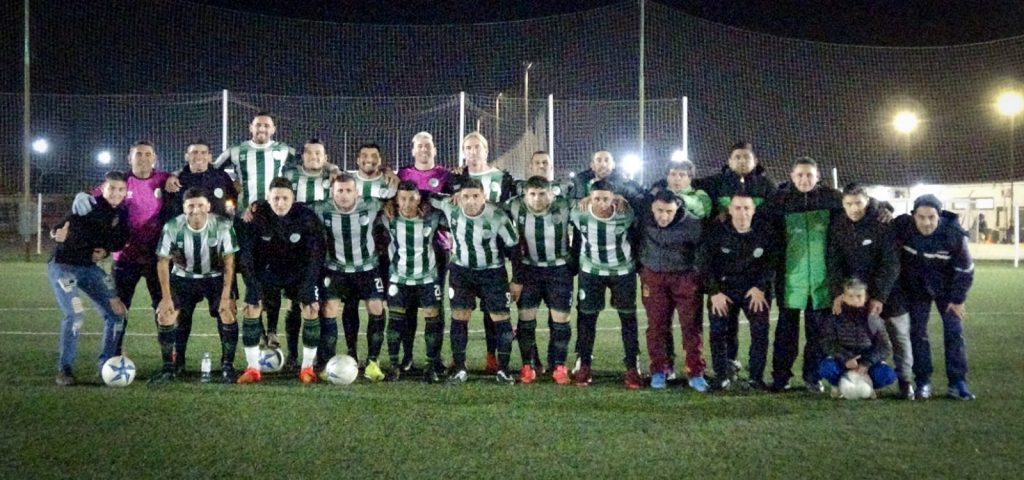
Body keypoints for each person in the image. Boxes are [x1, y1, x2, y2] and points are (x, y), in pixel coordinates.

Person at [72, 141, 172, 357]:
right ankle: (114, 354)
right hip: (125, 257)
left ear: (154, 158)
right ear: (130, 158)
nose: (143, 158)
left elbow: (183, 182)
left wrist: (176, 176)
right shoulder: (121, 182)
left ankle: (169, 358)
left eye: (148, 154)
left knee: (162, 307)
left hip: (157, 257)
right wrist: (82, 197)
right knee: (119, 307)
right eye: (138, 154)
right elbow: (95, 197)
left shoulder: (163, 179)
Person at [236, 177, 325, 384]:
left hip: (298, 273)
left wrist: (309, 284)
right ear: (268, 198)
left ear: (293, 198)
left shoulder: (306, 217)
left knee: (311, 308)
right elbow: (246, 256)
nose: (280, 203)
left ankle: (307, 368)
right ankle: (253, 368)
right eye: (275, 198)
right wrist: (252, 286)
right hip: (267, 272)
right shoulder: (257, 217)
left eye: (285, 198)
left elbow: (316, 255)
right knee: (251, 307)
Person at [430, 178, 519, 384]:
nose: (470, 201)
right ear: (459, 197)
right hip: (461, 271)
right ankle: (459, 368)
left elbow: (514, 247)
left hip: (492, 272)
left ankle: (503, 370)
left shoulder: (497, 216)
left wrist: (516, 279)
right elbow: (428, 196)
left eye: (476, 196)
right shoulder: (450, 207)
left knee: (501, 318)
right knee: (459, 317)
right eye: (466, 196)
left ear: (484, 197)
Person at [826, 183, 911, 399]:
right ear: (843, 204)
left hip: (889, 293)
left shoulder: (882, 223)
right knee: (849, 336)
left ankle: (906, 382)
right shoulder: (838, 225)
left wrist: (879, 296)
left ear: (867, 201)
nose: (854, 208)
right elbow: (833, 263)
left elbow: (891, 263)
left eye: (858, 203)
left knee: (899, 336)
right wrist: (838, 293)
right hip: (854, 296)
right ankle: (846, 379)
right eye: (849, 204)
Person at [767, 157, 842, 393]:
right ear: (791, 176)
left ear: (818, 177)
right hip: (790, 280)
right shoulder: (779, 200)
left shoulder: (832, 199)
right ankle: (781, 377)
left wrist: (880, 208)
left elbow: (859, 202)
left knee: (817, 335)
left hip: (821, 282)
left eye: (809, 174)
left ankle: (812, 377)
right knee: (785, 335)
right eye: (800, 174)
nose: (804, 179)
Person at [49, 171, 130, 386]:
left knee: (118, 313)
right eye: (111, 188)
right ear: (102, 188)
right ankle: (65, 369)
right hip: (64, 267)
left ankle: (106, 366)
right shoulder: (87, 205)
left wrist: (105, 251)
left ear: (125, 192)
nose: (116, 193)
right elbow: (57, 229)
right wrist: (56, 235)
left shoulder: (122, 214)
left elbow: (119, 242)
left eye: (121, 189)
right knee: (75, 314)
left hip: (89, 268)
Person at [892, 194, 976, 400]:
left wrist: (958, 300)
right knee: (917, 332)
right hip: (916, 289)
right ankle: (923, 381)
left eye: (931, 217)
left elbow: (966, 270)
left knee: (954, 331)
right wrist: (882, 208)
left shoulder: (954, 234)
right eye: (921, 217)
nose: (926, 222)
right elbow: (879, 217)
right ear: (913, 215)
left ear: (939, 216)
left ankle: (957, 382)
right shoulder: (902, 226)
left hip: (947, 290)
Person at [152, 188, 239, 383]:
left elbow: (229, 263)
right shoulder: (172, 226)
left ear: (208, 206)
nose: (196, 210)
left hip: (214, 277)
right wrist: (166, 298)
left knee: (227, 312)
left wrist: (226, 297)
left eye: (200, 205)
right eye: (191, 206)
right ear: (184, 208)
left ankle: (227, 366)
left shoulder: (223, 226)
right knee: (166, 314)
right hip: (183, 278)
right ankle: (171, 366)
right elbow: (162, 262)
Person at [448, 132, 516, 374]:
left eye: (477, 147)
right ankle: (459, 361)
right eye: (468, 147)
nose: (473, 151)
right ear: (463, 151)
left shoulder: (502, 178)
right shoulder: (456, 178)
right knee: (460, 312)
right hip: (463, 258)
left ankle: (493, 357)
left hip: (493, 254)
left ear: (486, 150)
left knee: (494, 311)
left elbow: (512, 207)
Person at [312, 174, 388, 381]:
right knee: (329, 309)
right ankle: (327, 362)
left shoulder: (371, 205)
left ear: (357, 193)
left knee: (376, 307)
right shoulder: (322, 208)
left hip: (367, 268)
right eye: (339, 191)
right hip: (335, 268)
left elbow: (395, 197)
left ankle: (372, 362)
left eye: (348, 191)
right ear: (332, 193)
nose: (344, 195)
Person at [700, 194, 778, 390]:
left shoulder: (765, 232)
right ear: (730, 210)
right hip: (724, 289)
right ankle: (721, 376)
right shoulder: (717, 233)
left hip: (754, 290)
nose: (742, 212)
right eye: (737, 208)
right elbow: (705, 264)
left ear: (753, 210)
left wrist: (761, 287)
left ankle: (756, 378)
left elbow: (772, 262)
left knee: (760, 332)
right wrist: (714, 292)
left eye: (746, 208)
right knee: (718, 331)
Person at [267, 138, 333, 367]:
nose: (314, 157)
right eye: (309, 153)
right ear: (302, 157)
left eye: (319, 153)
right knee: (295, 304)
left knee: (320, 303)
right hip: (295, 247)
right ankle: (293, 355)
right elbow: (275, 191)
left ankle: (321, 355)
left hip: (325, 247)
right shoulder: (290, 175)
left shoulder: (332, 177)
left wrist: (333, 168)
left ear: (325, 157)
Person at [570, 180, 642, 388]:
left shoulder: (625, 213)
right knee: (587, 318)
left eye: (606, 199)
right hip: (591, 271)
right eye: (597, 199)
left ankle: (632, 365)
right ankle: (584, 363)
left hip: (622, 271)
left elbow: (641, 204)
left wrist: (623, 198)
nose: (601, 203)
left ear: (613, 198)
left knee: (628, 318)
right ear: (589, 198)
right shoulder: (579, 213)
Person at [507, 176, 575, 384]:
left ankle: (559, 366)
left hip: (559, 270)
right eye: (532, 194)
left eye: (542, 194)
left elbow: (586, 205)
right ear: (525, 195)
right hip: (529, 270)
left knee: (561, 320)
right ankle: (527, 366)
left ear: (551, 194)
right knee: (526, 319)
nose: (537, 199)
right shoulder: (515, 206)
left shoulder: (565, 206)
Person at [637, 190, 706, 391]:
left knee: (691, 326)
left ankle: (695, 372)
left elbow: (702, 251)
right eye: (660, 210)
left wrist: (695, 274)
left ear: (677, 208)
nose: (664, 216)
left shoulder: (692, 223)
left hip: (684, 278)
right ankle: (659, 371)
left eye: (669, 211)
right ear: (652, 207)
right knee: (656, 326)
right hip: (653, 277)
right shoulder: (643, 218)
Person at [397, 131, 454, 371]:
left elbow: (452, 202)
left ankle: (435, 358)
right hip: (406, 247)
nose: (424, 149)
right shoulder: (402, 174)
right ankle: (407, 357)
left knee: (435, 304)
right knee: (407, 304)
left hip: (436, 248)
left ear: (434, 149)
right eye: (419, 146)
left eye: (428, 145)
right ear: (413, 150)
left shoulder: (446, 175)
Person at [382, 181, 448, 383]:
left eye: (412, 198)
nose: (407, 203)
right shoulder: (387, 217)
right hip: (399, 277)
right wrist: (386, 202)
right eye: (403, 198)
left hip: (427, 277)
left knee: (432, 318)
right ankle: (394, 366)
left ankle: (431, 365)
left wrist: (429, 198)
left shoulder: (432, 217)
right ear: (396, 200)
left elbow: (448, 207)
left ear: (420, 199)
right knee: (395, 321)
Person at [817, 278, 897, 398]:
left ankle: (867, 385)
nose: (855, 300)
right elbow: (827, 343)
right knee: (826, 368)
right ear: (843, 297)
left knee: (888, 375)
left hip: (867, 362)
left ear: (866, 297)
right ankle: (838, 385)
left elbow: (885, 347)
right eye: (850, 296)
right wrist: (846, 359)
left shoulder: (873, 320)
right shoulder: (834, 318)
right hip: (842, 361)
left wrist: (866, 363)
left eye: (859, 296)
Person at [695, 141, 777, 221]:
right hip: (723, 229)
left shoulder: (767, 185)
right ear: (730, 162)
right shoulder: (716, 182)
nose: (742, 161)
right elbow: (691, 186)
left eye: (746, 157)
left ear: (755, 161)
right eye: (737, 157)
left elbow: (773, 210)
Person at [164, 140, 237, 218]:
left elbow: (234, 199)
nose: (199, 156)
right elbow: (169, 209)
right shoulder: (176, 180)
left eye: (203, 153)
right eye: (194, 152)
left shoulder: (222, 176)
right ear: (186, 156)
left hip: (217, 225)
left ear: (210, 157)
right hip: (187, 225)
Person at [571, 150, 645, 211]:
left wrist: (627, 201)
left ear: (613, 165)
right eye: (599, 160)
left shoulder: (624, 184)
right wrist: (586, 200)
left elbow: (640, 201)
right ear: (592, 166)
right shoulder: (581, 183)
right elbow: (570, 202)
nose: (603, 165)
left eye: (607, 160)